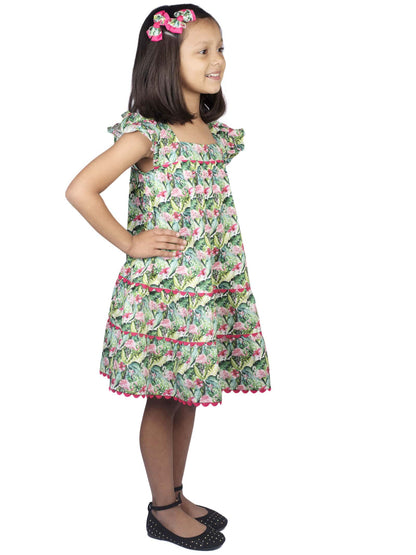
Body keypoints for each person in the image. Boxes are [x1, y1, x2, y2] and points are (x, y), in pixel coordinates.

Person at [65, 4, 271, 550]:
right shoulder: (147, 135)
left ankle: (176, 493)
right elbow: (81, 190)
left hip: (203, 291)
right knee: (163, 398)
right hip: (165, 297)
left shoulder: (209, 133)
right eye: (202, 51)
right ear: (165, 62)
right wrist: (131, 242)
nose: (217, 60)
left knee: (187, 395)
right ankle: (161, 510)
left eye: (220, 48)